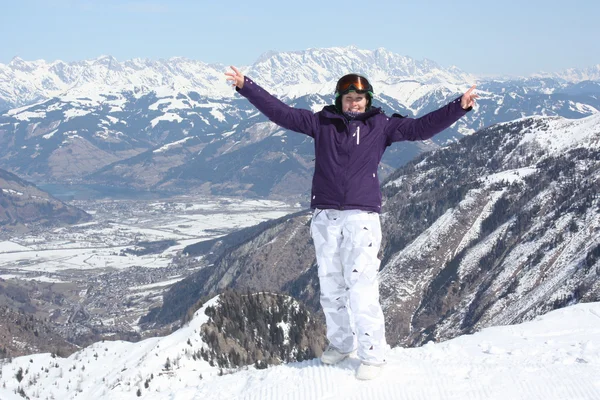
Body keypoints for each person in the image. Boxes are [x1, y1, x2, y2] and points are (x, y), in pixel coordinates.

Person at [226, 66, 477, 380]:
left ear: (367, 100)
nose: (354, 103)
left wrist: (459, 107)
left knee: (361, 289)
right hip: (325, 216)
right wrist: (246, 86)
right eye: (348, 98)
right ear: (339, 100)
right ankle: (342, 343)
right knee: (331, 286)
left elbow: (420, 129)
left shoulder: (381, 125)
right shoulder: (322, 122)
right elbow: (283, 114)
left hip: (361, 217)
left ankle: (373, 355)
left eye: (359, 98)